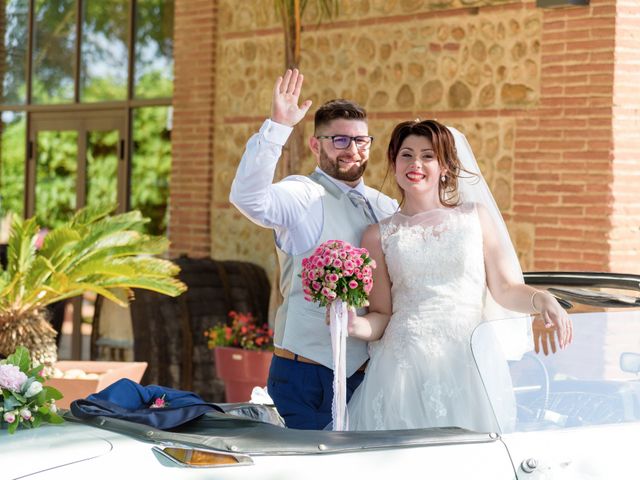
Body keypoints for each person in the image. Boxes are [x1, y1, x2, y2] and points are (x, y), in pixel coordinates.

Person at [345, 119, 572, 431]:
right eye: (406, 155)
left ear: (446, 167)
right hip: (403, 366)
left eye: (428, 156)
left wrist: (542, 299)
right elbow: (382, 314)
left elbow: (506, 289)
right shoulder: (377, 235)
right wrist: (355, 324)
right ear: (394, 163)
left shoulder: (474, 218)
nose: (416, 164)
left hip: (467, 362)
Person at [229, 69, 398, 429]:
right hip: (308, 376)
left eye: (361, 141)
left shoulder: (385, 207)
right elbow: (248, 198)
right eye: (339, 140)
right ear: (315, 144)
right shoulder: (302, 195)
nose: (352, 150)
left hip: (370, 374)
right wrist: (277, 126)